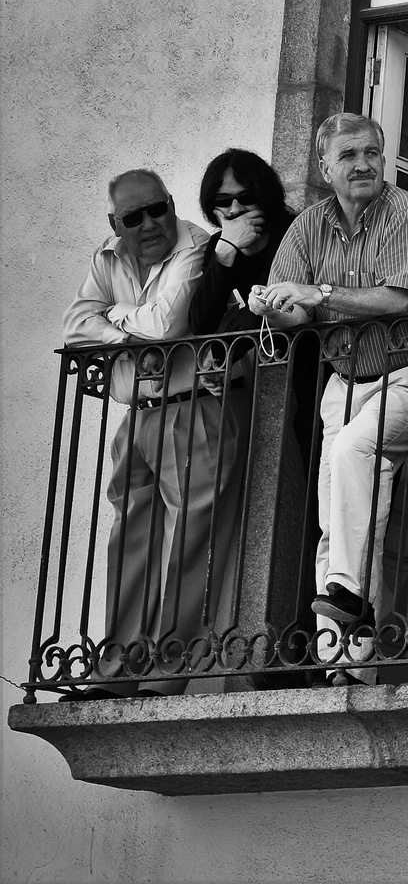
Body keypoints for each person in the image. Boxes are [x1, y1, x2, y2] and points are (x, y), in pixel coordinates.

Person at [252, 113, 408, 685]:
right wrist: (273, 307)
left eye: (371, 152)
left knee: (351, 453)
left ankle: (352, 598)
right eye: (348, 155)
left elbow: (396, 298)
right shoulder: (308, 226)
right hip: (345, 380)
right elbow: (298, 313)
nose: (362, 164)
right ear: (324, 167)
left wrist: (319, 292)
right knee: (337, 519)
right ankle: (346, 663)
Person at [63, 169, 245, 697]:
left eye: (157, 209)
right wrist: (129, 319)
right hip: (138, 414)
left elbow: (168, 326)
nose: (149, 224)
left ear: (171, 202)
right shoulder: (107, 258)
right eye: (133, 218)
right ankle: (118, 669)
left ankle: (168, 671)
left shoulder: (194, 247)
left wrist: (114, 315)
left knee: (191, 539)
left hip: (195, 410)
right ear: (115, 223)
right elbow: (75, 326)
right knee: (131, 540)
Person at [188, 148, 296, 335]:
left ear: (265, 196)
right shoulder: (220, 243)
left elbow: (264, 307)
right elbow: (200, 324)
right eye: (223, 200)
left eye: (246, 198)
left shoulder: (293, 232)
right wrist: (226, 250)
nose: (235, 209)